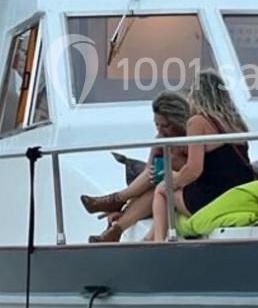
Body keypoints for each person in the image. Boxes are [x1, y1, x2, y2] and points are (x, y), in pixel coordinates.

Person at [149, 72, 254, 241]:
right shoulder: (236, 122)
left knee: (162, 190)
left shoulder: (197, 122)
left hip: (213, 195)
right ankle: (151, 238)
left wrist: (172, 182)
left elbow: (193, 170)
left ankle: (158, 242)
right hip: (241, 188)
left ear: (196, 95)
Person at [80, 92, 190, 243]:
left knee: (163, 171)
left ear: (178, 122)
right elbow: (149, 174)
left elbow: (193, 170)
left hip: (189, 187)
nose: (159, 130)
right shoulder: (161, 139)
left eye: (165, 126)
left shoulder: (191, 138)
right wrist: (126, 209)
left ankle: (116, 200)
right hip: (165, 187)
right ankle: (115, 227)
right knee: (154, 177)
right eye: (156, 124)